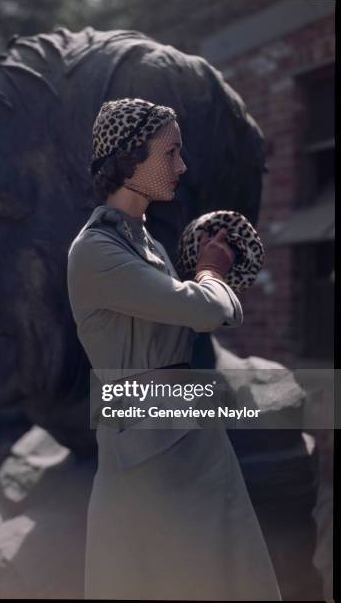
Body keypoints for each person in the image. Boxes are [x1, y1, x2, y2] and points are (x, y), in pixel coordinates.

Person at [67, 98, 281, 601]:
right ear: (130, 157)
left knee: (227, 575)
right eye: (170, 152)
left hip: (188, 431)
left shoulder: (146, 245)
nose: (181, 166)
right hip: (147, 448)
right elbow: (206, 310)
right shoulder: (96, 251)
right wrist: (209, 270)